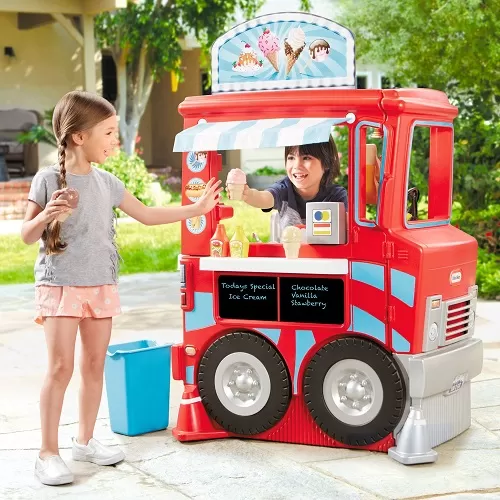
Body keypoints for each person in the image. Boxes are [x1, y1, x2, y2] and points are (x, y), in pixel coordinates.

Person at [21, 91, 222, 486]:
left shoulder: (107, 182)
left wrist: (196, 209)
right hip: (60, 286)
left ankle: (84, 440)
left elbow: (147, 215)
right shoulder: (47, 179)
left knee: (94, 365)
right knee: (61, 368)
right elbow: (27, 235)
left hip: (100, 284)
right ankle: (47, 453)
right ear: (79, 137)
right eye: (109, 133)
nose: (116, 141)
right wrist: (49, 213)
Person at [227, 137, 347, 230]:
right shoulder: (284, 189)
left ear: (326, 163)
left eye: (306, 158)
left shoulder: (336, 196)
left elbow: (347, 226)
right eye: (291, 158)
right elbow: (264, 198)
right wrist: (247, 194)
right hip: (292, 257)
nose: (296, 166)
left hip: (325, 259)